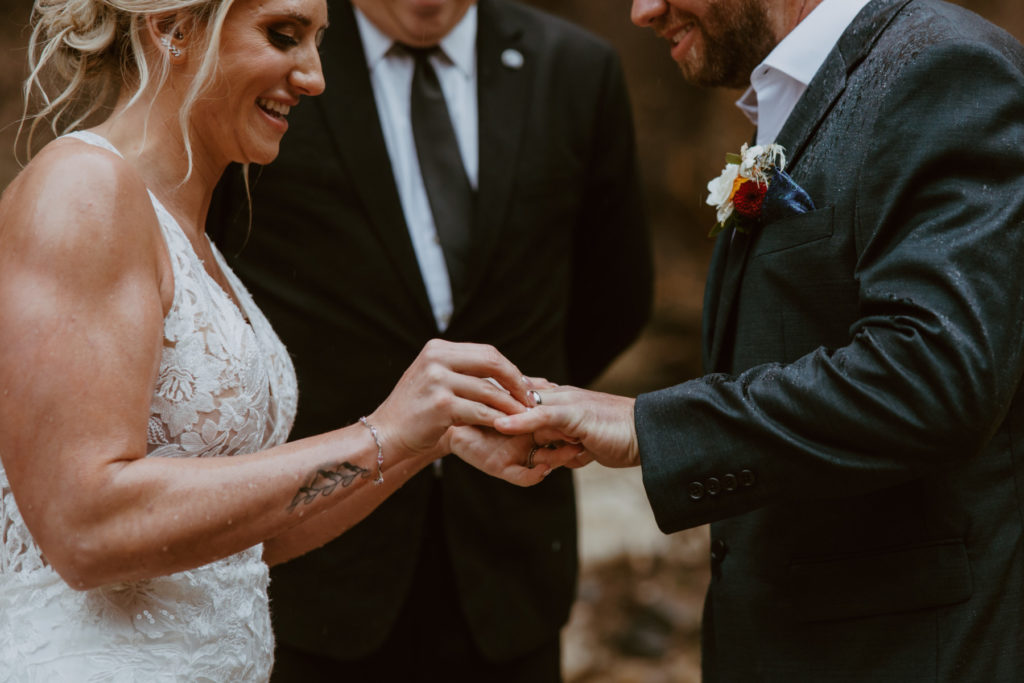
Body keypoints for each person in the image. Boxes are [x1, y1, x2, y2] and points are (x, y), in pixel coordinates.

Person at [0, 0, 576, 679]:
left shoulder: (195, 235)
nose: (314, 76)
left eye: (318, 41)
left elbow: (242, 538)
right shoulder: (83, 190)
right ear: (172, 28)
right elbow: (84, 528)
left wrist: (429, 436)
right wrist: (380, 434)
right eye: (284, 36)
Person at [495, 0, 1024, 679]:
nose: (641, 11)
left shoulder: (944, 70)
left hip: (910, 652)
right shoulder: (805, 93)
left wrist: (650, 428)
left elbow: (934, 375)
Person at [207, 0, 651, 679]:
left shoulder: (575, 69)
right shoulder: (277, 66)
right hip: (316, 565)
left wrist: (505, 408)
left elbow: (615, 293)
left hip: (511, 562)